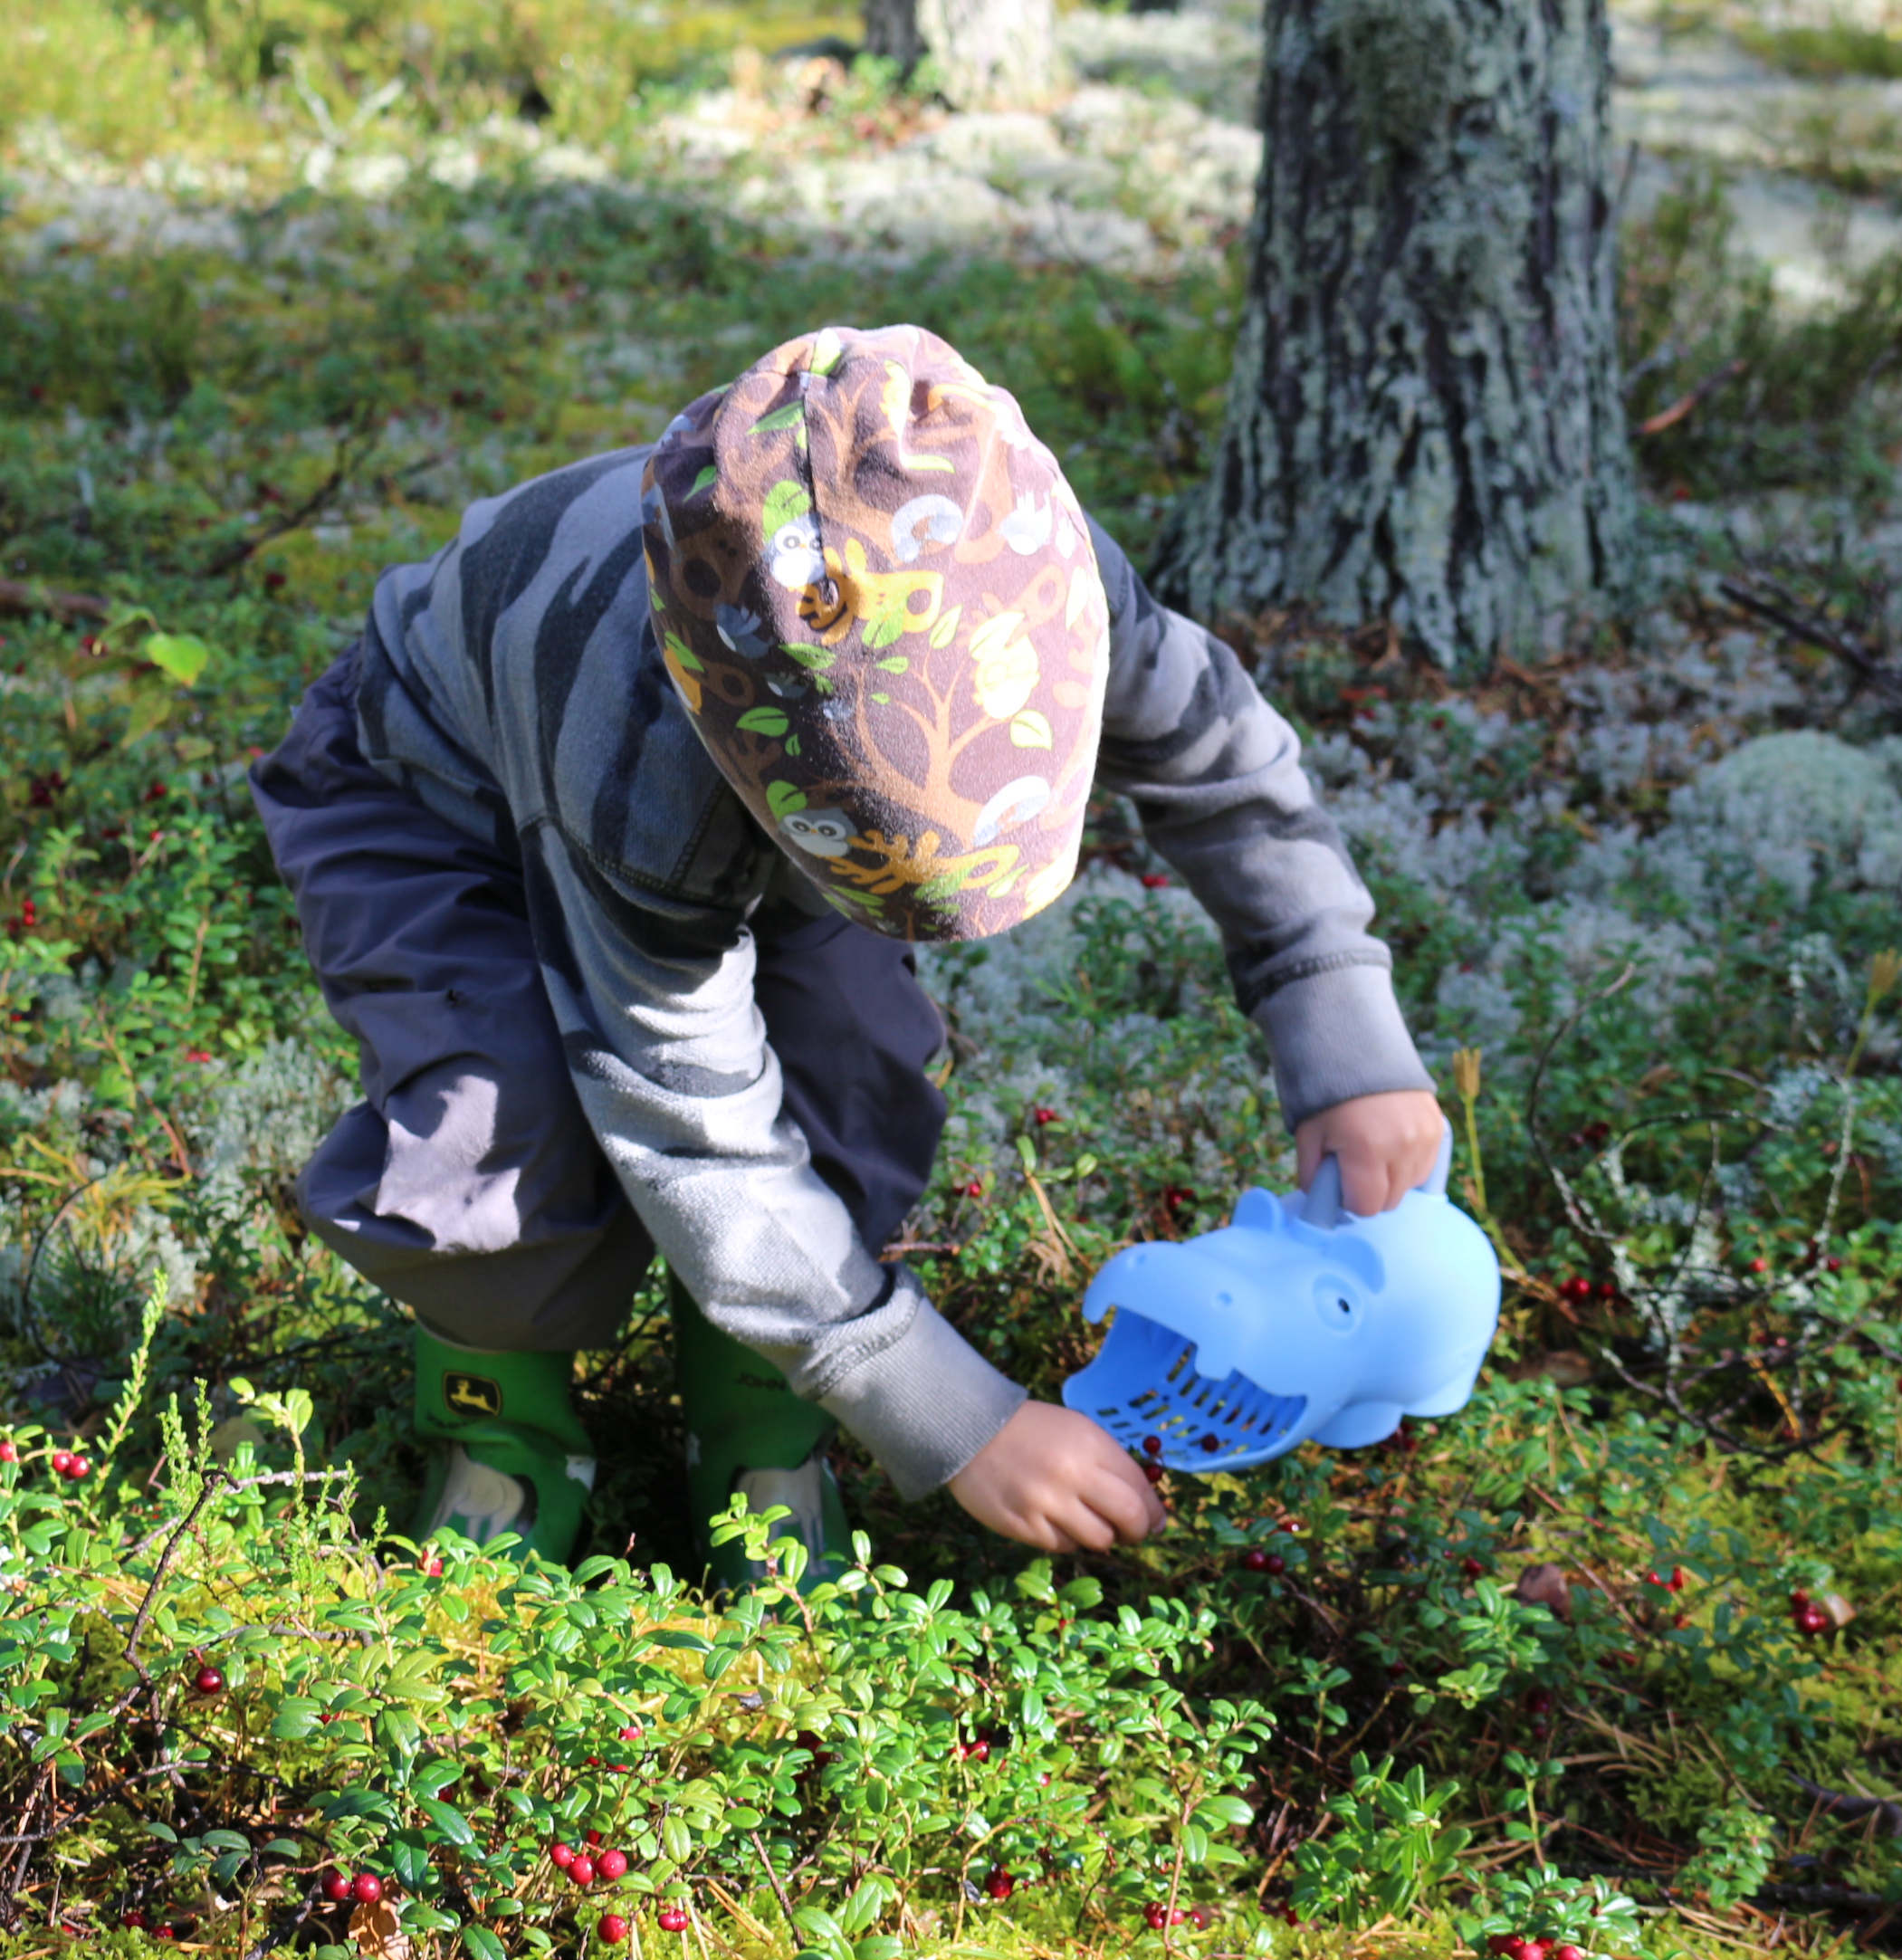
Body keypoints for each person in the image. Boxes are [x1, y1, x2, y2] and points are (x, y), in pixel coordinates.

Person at [250, 323, 1444, 1585]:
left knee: (850, 1078)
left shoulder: (1031, 571)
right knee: (500, 1132)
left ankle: (762, 1429)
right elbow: (688, 1124)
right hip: (442, 807)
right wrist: (948, 1414)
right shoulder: (642, 777)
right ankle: (508, 1436)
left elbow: (1226, 769)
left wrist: (1344, 1035)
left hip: (788, 813)